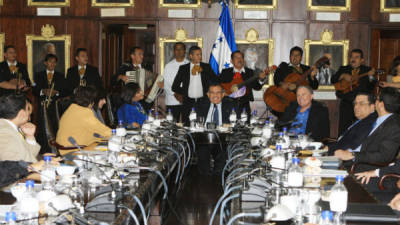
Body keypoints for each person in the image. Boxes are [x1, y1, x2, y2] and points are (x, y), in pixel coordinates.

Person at [334, 87, 400, 174]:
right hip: (353, 161)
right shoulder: (378, 120)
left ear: (381, 104)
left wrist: (353, 155)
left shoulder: (394, 126)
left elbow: (384, 156)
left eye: (376, 99)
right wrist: (349, 152)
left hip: (366, 169)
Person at [331, 49, 376, 136]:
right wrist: (343, 75)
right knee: (343, 129)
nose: (353, 59)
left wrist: (371, 76)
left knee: (362, 128)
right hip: (346, 103)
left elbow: (371, 86)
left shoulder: (367, 70)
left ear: (362, 60)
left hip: (362, 105)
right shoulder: (343, 69)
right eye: (351, 57)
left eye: (356, 57)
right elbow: (333, 79)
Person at [172, 46, 217, 126]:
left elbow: (215, 81)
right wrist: (186, 92)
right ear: (191, 56)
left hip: (203, 102)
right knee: (188, 125)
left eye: (200, 54)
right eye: (197, 55)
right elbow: (174, 86)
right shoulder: (183, 68)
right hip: (188, 103)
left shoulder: (206, 67)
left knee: (202, 125)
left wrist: (209, 92)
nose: (200, 56)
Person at [196, 83, 235, 175]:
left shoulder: (231, 105)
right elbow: (193, 122)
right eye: (212, 93)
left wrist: (229, 126)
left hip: (222, 140)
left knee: (222, 157)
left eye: (218, 93)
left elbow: (236, 123)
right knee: (202, 154)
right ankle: (204, 181)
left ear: (223, 94)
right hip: (204, 139)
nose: (215, 96)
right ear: (208, 94)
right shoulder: (200, 105)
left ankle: (218, 182)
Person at [33, 54, 67, 154]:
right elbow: (35, 90)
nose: (52, 64)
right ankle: (43, 149)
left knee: (55, 126)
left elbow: (65, 91)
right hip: (42, 105)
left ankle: (56, 148)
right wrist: (43, 91)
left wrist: (56, 92)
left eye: (54, 62)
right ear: (45, 63)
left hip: (55, 106)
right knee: (42, 126)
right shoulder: (39, 75)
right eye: (50, 61)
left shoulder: (60, 75)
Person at [219, 50, 267, 119]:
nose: (239, 59)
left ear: (244, 61)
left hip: (245, 104)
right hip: (228, 104)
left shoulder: (250, 72)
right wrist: (223, 91)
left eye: (241, 57)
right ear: (231, 61)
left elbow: (257, 87)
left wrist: (261, 79)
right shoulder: (225, 72)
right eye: (236, 57)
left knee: (245, 126)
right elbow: (217, 85)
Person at [112, 46, 159, 111]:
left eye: (142, 54)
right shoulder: (125, 67)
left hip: (144, 100)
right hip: (130, 99)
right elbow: (113, 80)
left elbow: (151, 81)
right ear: (132, 56)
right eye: (140, 54)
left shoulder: (147, 67)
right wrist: (120, 77)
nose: (142, 56)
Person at [0, 94, 40, 162]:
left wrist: (29, 137)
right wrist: (44, 164)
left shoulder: (10, 128)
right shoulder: (5, 134)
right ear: (21, 113)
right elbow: (14, 168)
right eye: (28, 109)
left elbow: (27, 155)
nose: (29, 118)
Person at [163, 42, 189, 122]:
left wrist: (183, 95)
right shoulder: (168, 66)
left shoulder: (190, 64)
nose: (179, 51)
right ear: (174, 51)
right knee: (172, 125)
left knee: (187, 124)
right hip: (172, 100)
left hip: (186, 100)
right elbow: (166, 84)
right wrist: (176, 94)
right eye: (176, 49)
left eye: (181, 49)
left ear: (185, 51)